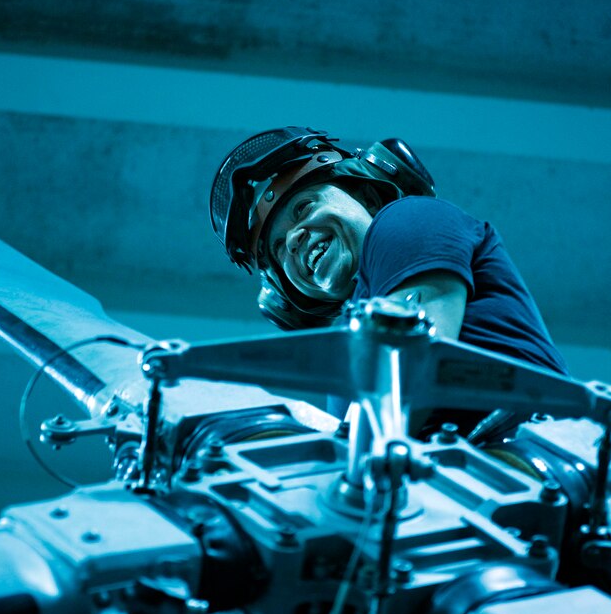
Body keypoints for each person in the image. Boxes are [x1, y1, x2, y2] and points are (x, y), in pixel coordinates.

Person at [209, 126, 568, 436]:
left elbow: (403, 378)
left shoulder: (406, 220)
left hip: (538, 460)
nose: (293, 240)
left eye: (304, 208)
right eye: (278, 249)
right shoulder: (345, 378)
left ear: (363, 194)